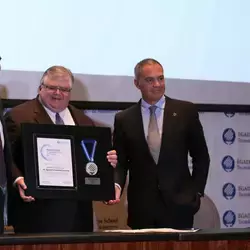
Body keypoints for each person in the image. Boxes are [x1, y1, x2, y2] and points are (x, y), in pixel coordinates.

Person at [4, 65, 117, 233]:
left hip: (78, 216)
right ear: (40, 88)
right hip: (36, 214)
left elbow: (90, 160)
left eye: (64, 89)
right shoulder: (18, 116)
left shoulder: (84, 120)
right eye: (52, 87)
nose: (58, 93)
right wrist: (17, 179)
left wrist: (107, 161)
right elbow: (7, 158)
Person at [109, 58, 210, 229]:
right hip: (141, 208)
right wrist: (116, 185)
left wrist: (196, 192)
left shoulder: (186, 111)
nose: (157, 84)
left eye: (161, 78)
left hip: (179, 206)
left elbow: (201, 157)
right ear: (137, 83)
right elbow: (120, 161)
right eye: (150, 80)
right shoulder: (124, 118)